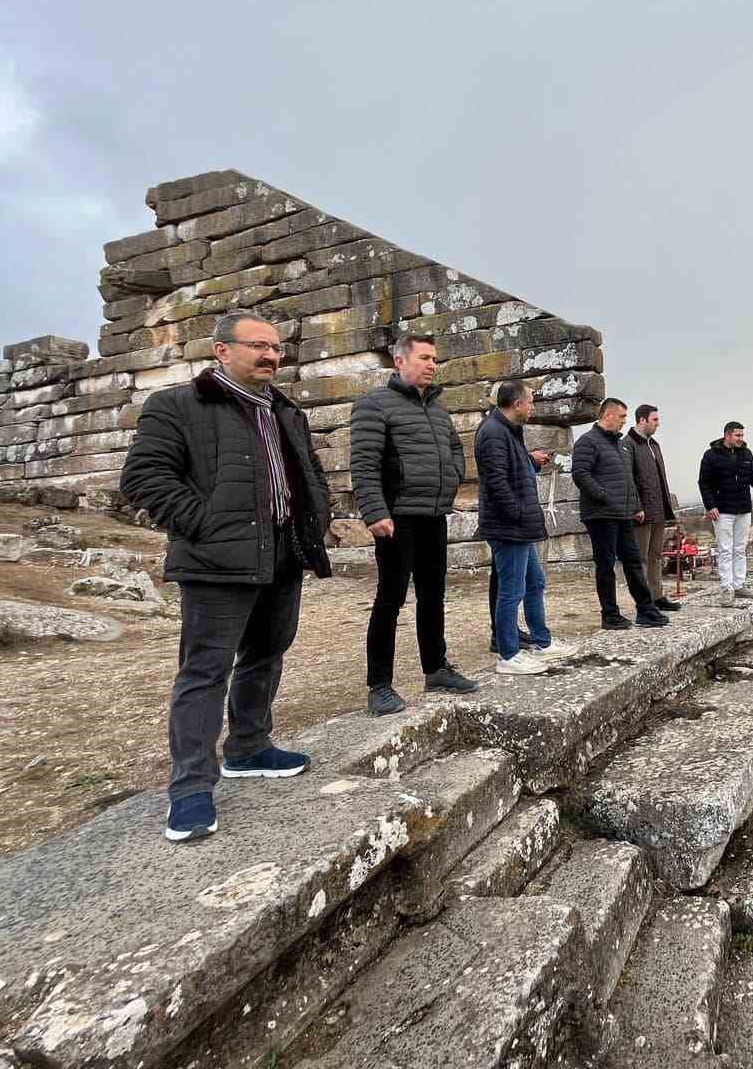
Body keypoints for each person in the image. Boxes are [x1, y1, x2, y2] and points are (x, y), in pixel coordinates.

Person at [121, 310, 333, 843]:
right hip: (217, 562)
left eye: (277, 347)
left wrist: (315, 525)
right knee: (204, 670)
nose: (271, 355)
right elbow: (144, 477)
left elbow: (307, 475)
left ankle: (248, 746)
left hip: (281, 555)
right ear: (222, 351)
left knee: (267, 652)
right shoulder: (175, 405)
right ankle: (191, 788)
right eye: (258, 345)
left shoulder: (284, 409)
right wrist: (206, 525)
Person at [350, 332, 478, 714]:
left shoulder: (438, 411)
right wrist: (375, 512)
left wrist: (453, 479)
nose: (431, 365)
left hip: (433, 515)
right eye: (423, 357)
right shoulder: (374, 405)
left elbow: (455, 451)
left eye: (434, 359)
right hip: (397, 517)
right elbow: (364, 463)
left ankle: (436, 669)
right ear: (400, 361)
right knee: (390, 600)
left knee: (433, 596)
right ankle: (379, 685)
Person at [476, 380, 574, 672]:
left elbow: (512, 469)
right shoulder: (493, 432)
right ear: (517, 403)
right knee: (511, 590)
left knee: (535, 583)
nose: (533, 406)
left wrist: (530, 461)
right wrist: (519, 513)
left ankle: (542, 642)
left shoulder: (509, 431)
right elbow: (496, 482)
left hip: (520, 525)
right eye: (530, 401)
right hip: (509, 526)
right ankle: (508, 655)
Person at [572, 398, 669, 630]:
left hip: (623, 514)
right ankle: (610, 615)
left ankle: (645, 610)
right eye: (622, 417)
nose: (626, 422)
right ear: (608, 416)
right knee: (605, 566)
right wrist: (605, 496)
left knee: (633, 562)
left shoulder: (618, 444)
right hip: (600, 515)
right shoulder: (588, 442)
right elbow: (580, 474)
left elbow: (628, 480)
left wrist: (634, 505)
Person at [698, 420, 753, 601]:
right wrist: (710, 505)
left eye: (742, 435)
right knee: (725, 549)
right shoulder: (711, 456)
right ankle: (726, 589)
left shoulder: (746, 453)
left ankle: (739, 585)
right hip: (722, 511)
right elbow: (704, 483)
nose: (741, 439)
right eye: (738, 435)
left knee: (740, 548)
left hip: (744, 509)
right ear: (727, 435)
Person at [626, 404, 680, 611]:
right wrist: (636, 507)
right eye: (655, 420)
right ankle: (644, 602)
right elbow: (628, 480)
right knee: (640, 558)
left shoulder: (654, 445)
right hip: (641, 513)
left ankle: (658, 597)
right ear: (642, 420)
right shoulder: (628, 444)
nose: (658, 424)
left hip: (658, 510)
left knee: (656, 555)